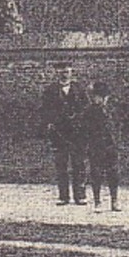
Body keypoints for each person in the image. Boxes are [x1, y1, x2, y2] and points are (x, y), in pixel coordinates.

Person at [41, 61, 90, 205]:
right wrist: (51, 122)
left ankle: (80, 196)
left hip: (77, 132)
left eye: (67, 71)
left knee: (79, 163)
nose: (64, 74)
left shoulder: (79, 89)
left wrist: (80, 120)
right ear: (57, 73)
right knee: (61, 164)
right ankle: (63, 196)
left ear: (71, 72)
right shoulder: (50, 90)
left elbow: (86, 107)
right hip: (59, 132)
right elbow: (45, 109)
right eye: (62, 72)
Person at [82, 82, 125, 212]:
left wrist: (117, 141)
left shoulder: (113, 109)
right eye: (95, 97)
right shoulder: (88, 111)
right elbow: (85, 130)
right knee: (96, 174)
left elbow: (119, 125)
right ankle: (97, 201)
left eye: (100, 96)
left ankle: (114, 200)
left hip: (111, 146)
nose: (97, 99)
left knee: (114, 173)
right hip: (96, 146)